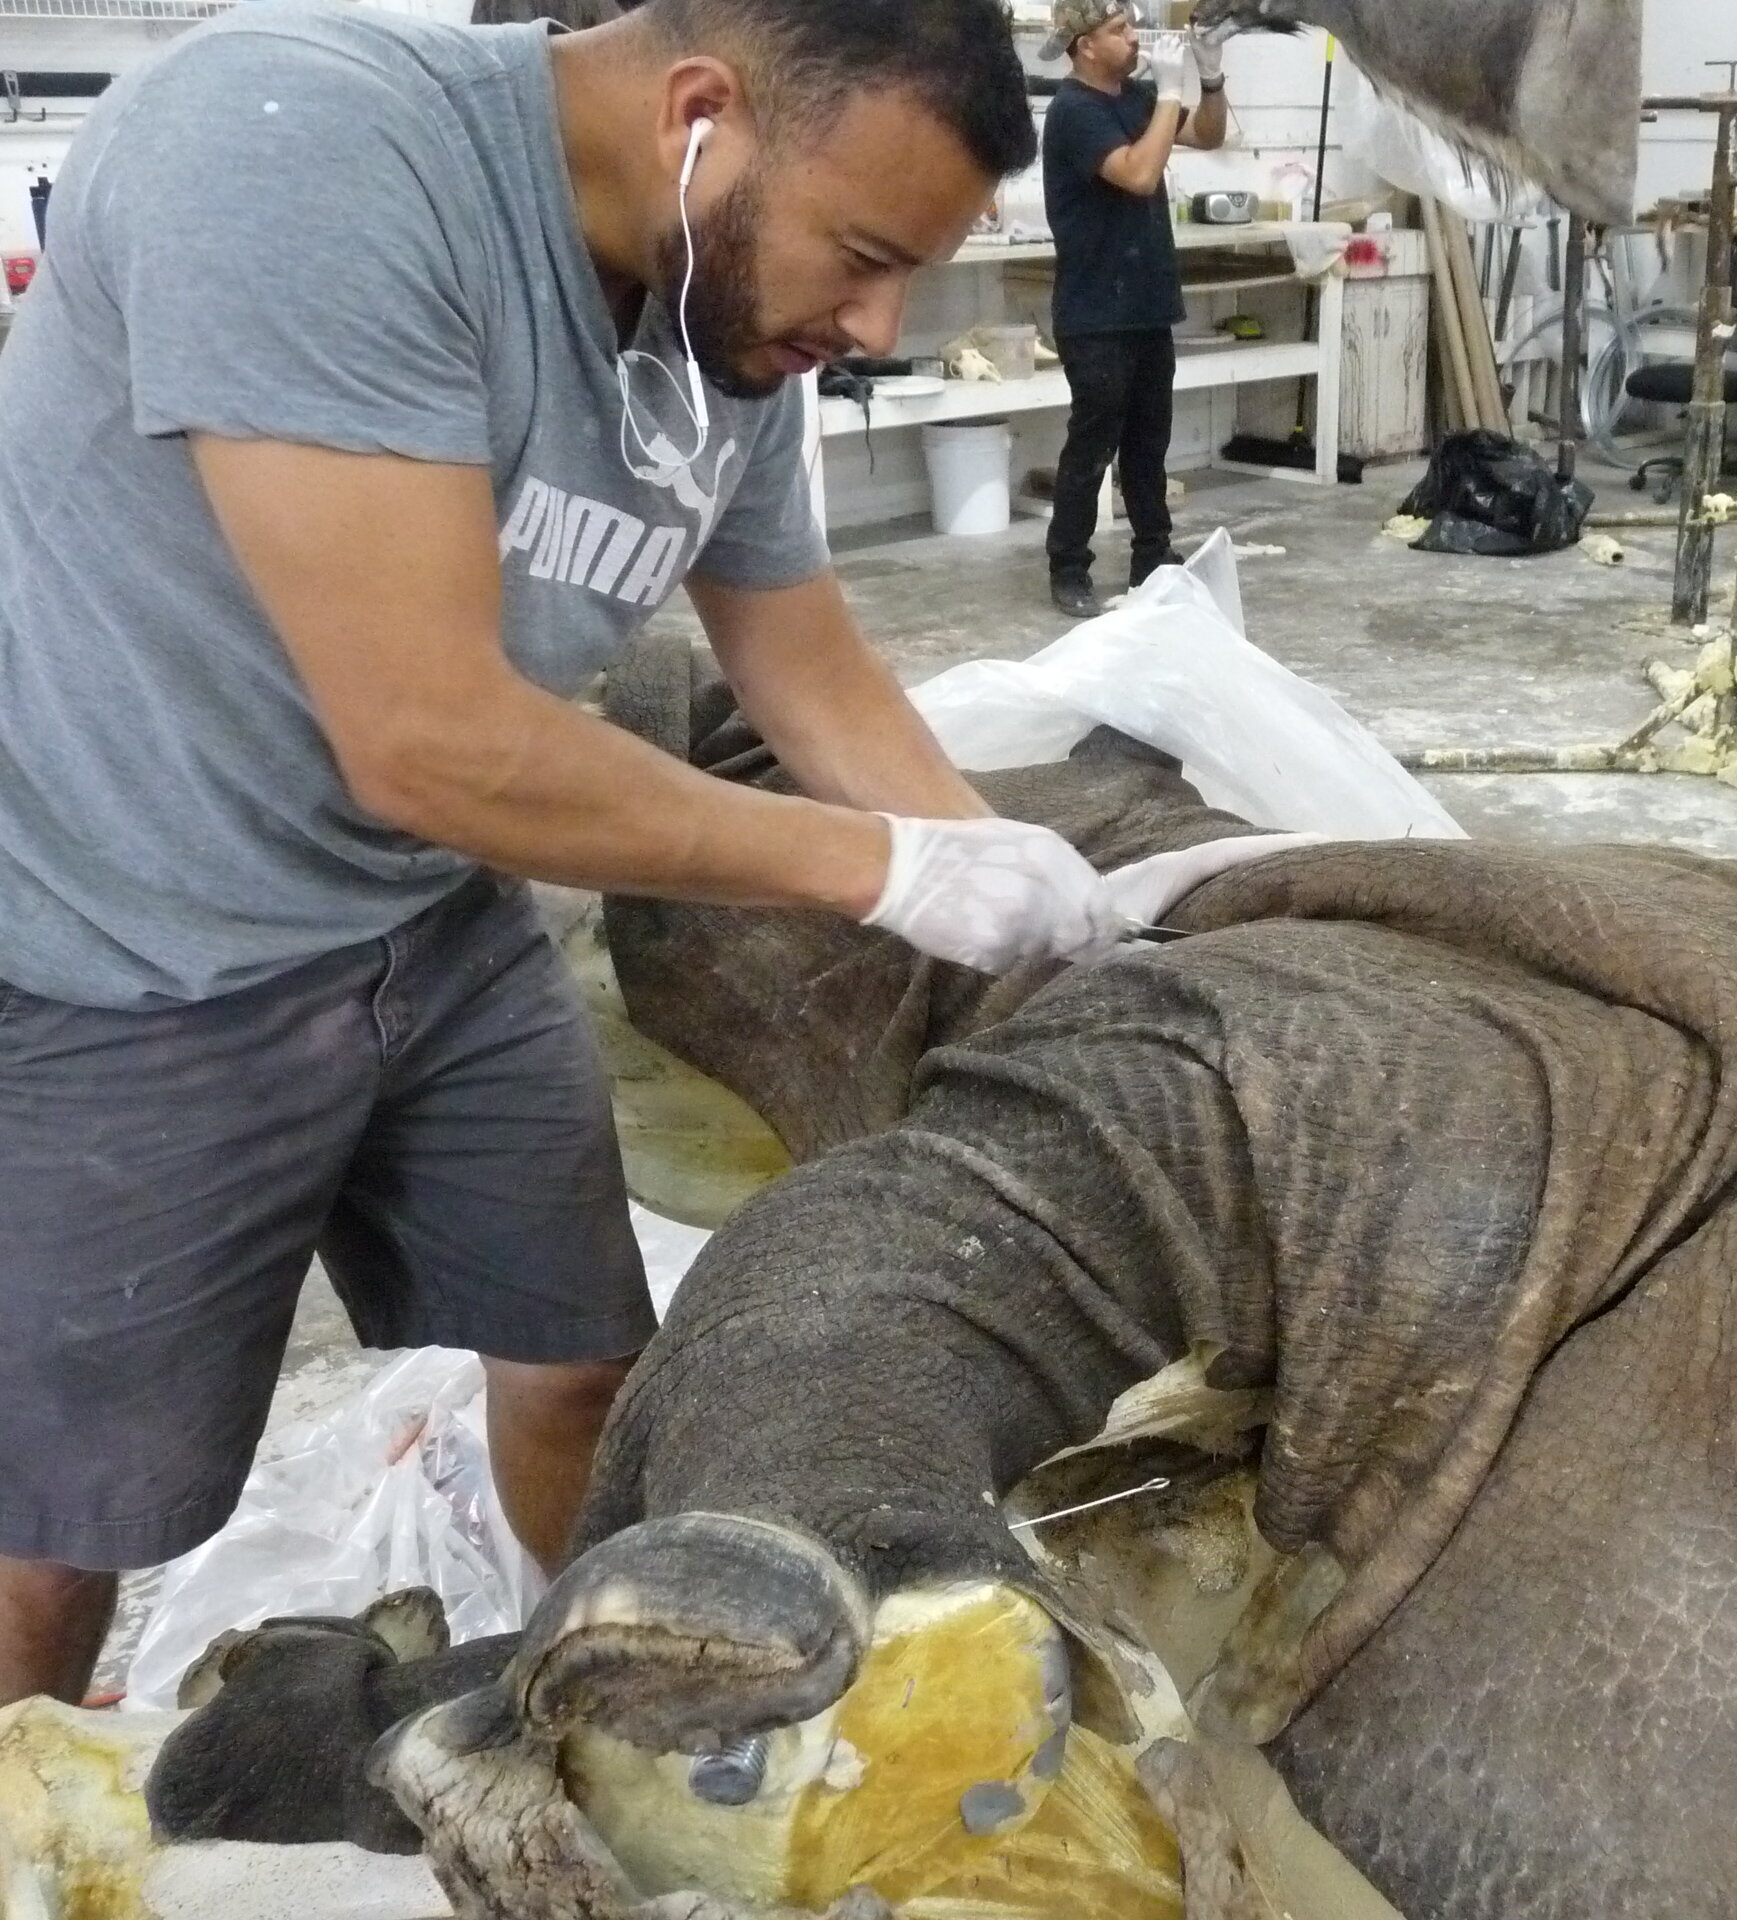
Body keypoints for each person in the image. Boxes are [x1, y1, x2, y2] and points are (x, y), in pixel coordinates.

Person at [0, 0, 1134, 1707]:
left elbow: (799, 653)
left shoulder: (711, 312)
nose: (880, 323)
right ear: (700, 114)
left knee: (594, 1365)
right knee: (65, 1515)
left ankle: (601, 1729)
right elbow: (431, 739)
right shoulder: (299, 148)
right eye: (864, 254)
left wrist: (1009, 870)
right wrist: (872, 871)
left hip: (434, 923)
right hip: (135, 943)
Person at [1039, 0, 1228, 619]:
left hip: (1146, 303)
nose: (1133, 37)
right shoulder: (1073, 112)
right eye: (1118, 29)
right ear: (1084, 46)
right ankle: (1068, 567)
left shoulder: (1139, 98)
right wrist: (1170, 92)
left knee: (1149, 444)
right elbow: (1140, 175)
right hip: (1095, 311)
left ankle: (1154, 557)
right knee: (1092, 446)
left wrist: (1209, 76)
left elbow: (1209, 133)